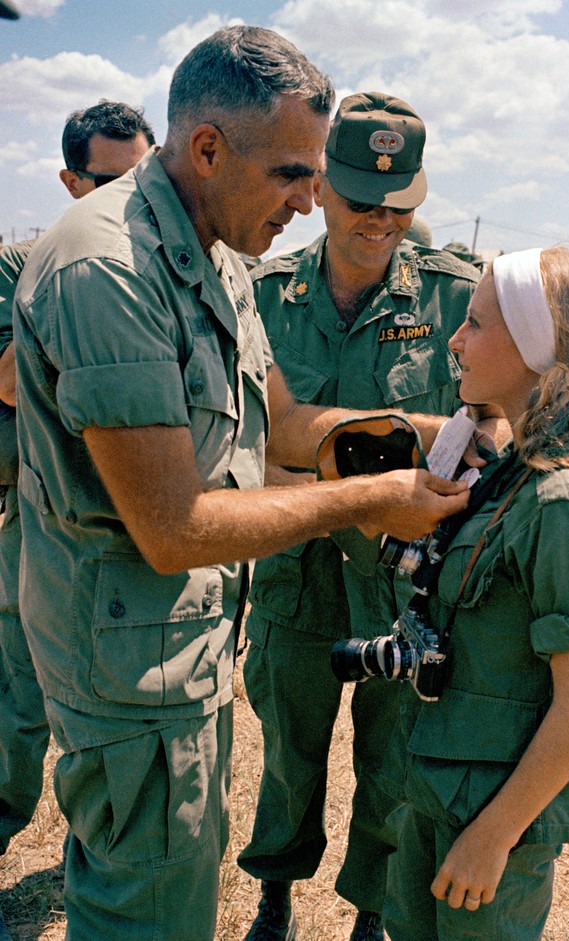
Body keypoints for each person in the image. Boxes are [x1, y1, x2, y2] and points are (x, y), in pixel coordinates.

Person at [12, 28, 470, 941]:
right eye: (294, 174)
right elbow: (174, 525)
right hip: (127, 661)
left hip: (174, 647)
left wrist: (430, 433)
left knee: (168, 887)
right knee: (147, 912)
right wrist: (371, 499)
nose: (312, 203)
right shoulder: (113, 268)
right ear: (210, 149)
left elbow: (281, 428)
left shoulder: (212, 251)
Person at [237, 91, 481, 941]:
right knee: (287, 758)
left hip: (403, 585)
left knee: (392, 759)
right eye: (358, 198)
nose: (378, 219)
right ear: (320, 187)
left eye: (398, 203)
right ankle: (274, 892)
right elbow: (246, 446)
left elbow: (492, 428)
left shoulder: (454, 298)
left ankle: (371, 912)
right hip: (292, 573)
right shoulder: (264, 296)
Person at [381, 247, 569, 941]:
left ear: (534, 348)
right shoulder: (512, 470)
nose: (455, 339)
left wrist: (492, 838)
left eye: (473, 323)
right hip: (442, 789)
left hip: (488, 814)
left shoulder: (562, 501)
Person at [0, 100, 154, 941]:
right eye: (112, 181)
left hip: (122, 534)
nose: (135, 198)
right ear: (70, 182)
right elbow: (15, 381)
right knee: (21, 709)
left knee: (110, 718)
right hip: (31, 523)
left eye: (145, 175)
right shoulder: (27, 266)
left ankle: (89, 853)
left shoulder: (154, 270)